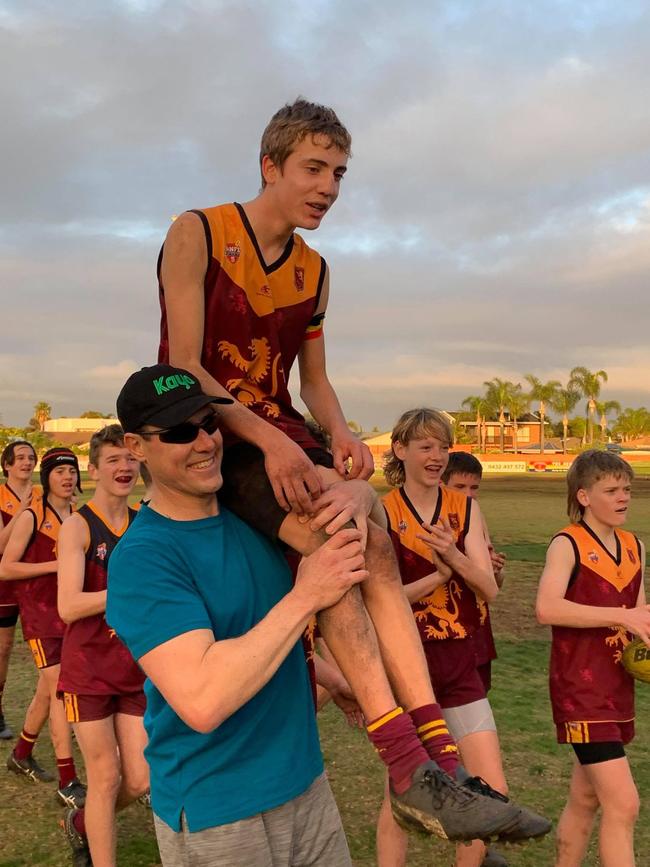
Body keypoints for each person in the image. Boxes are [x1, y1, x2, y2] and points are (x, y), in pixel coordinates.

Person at [156, 99, 549, 843]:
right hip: (211, 426)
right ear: (269, 165)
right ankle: (408, 761)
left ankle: (434, 760)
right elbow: (183, 366)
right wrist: (272, 444)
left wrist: (339, 431)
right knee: (340, 537)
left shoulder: (316, 270)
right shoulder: (197, 231)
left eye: (338, 172)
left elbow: (316, 382)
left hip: (279, 430)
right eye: (313, 168)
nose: (329, 186)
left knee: (368, 528)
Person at [106, 366, 358, 866]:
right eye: (180, 432)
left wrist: (342, 681)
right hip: (218, 809)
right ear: (136, 447)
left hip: (304, 783)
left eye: (209, 424)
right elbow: (202, 699)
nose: (204, 442)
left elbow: (266, 634)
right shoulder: (144, 558)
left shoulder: (257, 518)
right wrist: (305, 596)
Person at [377, 409, 537, 867]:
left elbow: (487, 586)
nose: (436, 456)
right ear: (401, 450)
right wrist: (435, 579)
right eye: (425, 447)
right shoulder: (381, 512)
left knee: (490, 793)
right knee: (404, 796)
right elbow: (380, 601)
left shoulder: (464, 507)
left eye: (442, 447)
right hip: (410, 667)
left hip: (459, 663)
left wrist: (451, 553)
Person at [536, 450, 650, 867]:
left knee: (585, 800)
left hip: (616, 689)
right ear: (584, 496)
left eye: (627, 490)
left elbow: (638, 622)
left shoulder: (635, 545)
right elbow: (546, 609)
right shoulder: (567, 544)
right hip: (580, 691)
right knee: (624, 805)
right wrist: (623, 615)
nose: (623, 498)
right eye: (611, 490)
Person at [57, 425, 149, 867]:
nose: (124, 467)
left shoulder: (146, 523)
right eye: (113, 460)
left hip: (135, 667)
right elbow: (69, 605)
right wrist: (127, 592)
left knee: (140, 777)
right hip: (87, 670)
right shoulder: (77, 526)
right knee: (106, 775)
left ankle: (80, 824)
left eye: (130, 458)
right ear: (93, 470)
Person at [0, 448, 86, 808]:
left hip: (70, 614)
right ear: (46, 477)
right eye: (59, 471)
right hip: (40, 616)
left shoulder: (79, 517)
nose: (67, 477)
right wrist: (56, 567)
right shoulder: (32, 517)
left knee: (45, 692)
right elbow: (5, 569)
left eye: (72, 471)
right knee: (62, 693)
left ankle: (21, 753)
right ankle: (68, 780)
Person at [442, 451, 506, 693]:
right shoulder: (430, 517)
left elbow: (494, 586)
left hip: (476, 626)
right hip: (445, 629)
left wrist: (495, 569)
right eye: (460, 486)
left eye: (474, 487)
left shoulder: (475, 514)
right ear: (441, 482)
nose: (468, 494)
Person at [0, 440, 46, 741]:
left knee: (48, 652)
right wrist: (24, 512)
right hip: (4, 584)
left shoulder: (44, 493)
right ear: (6, 465)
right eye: (19, 458)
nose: (26, 463)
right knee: (3, 648)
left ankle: (61, 710)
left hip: (36, 582)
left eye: (30, 458)